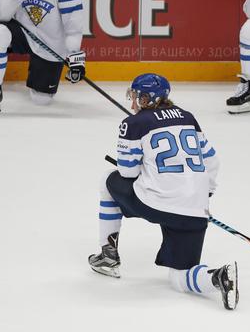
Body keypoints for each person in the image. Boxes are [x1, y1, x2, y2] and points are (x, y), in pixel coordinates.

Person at [89, 73, 239, 310]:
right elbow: (212, 162)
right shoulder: (189, 118)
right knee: (180, 278)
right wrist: (203, 196)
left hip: (156, 204)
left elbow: (127, 172)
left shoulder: (134, 123)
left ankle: (108, 256)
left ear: (147, 98)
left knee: (108, 179)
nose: (133, 103)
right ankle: (215, 276)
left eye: (137, 97)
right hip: (195, 212)